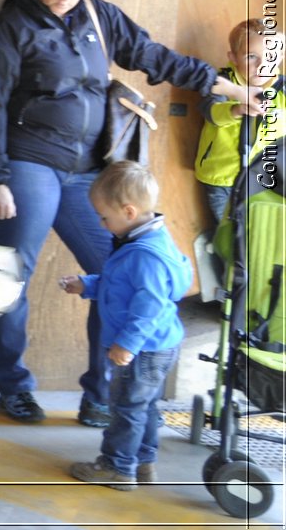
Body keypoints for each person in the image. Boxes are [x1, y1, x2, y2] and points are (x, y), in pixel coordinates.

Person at [0, 0, 260, 427]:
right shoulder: (11, 27)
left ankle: (101, 395)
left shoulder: (98, 17)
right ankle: (13, 386)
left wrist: (231, 91)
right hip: (27, 162)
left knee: (119, 276)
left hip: (90, 169)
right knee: (11, 276)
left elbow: (154, 57)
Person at [60, 161, 191, 490]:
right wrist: (87, 285)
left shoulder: (143, 255)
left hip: (142, 349)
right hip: (155, 346)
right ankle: (143, 461)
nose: (102, 224)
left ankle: (117, 467)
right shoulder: (145, 241)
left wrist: (127, 345)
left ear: (129, 211)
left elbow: (149, 306)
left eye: (104, 217)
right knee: (142, 406)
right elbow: (122, 285)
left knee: (125, 409)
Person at [195, 19, 283, 227]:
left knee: (257, 235)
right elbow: (211, 111)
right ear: (233, 58)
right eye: (251, 56)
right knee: (230, 234)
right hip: (221, 177)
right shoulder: (221, 82)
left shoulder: (282, 89)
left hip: (262, 180)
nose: (261, 65)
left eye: (270, 57)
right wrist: (237, 109)